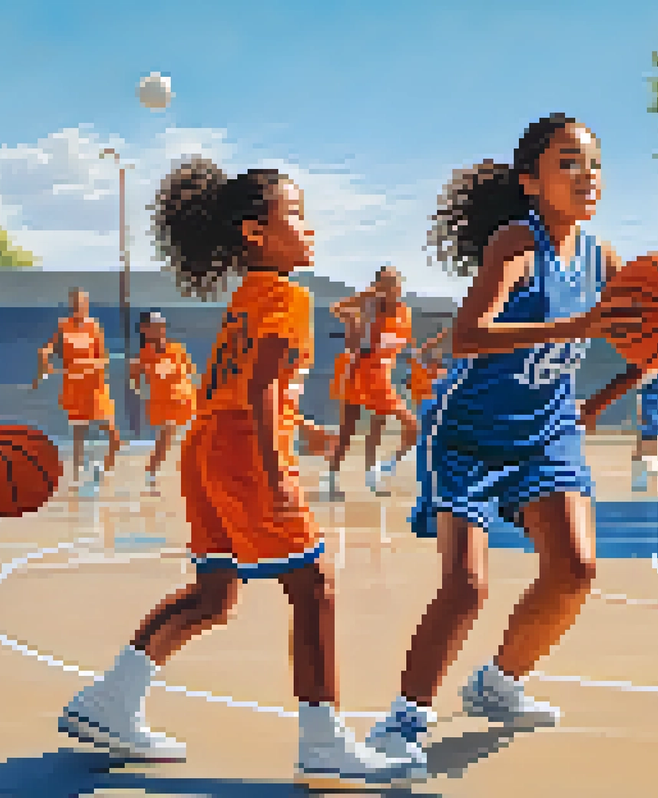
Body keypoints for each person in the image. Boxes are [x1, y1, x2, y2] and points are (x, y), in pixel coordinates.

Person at [57, 157, 417, 784]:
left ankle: (109, 700)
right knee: (314, 588)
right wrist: (279, 468)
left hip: (209, 443)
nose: (309, 226)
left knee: (213, 595)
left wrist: (302, 430)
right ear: (256, 231)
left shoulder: (251, 295)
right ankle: (323, 738)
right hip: (245, 449)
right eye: (296, 214)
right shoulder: (289, 296)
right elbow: (258, 390)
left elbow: (246, 388)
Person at [362, 114, 632, 770]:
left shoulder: (605, 259)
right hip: (470, 436)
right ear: (531, 181)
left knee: (574, 569)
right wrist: (576, 323)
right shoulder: (518, 242)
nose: (586, 176)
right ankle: (401, 723)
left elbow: (642, 342)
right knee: (467, 586)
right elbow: (467, 335)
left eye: (593, 163)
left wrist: (611, 390)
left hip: (547, 432)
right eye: (568, 162)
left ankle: (499, 683)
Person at [324, 267, 420, 498]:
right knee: (348, 429)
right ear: (377, 285)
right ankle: (332, 480)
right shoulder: (367, 308)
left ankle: (378, 472)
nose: (391, 288)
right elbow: (336, 309)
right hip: (357, 371)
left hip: (382, 375)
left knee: (408, 427)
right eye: (385, 283)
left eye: (394, 282)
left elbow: (399, 343)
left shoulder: (404, 312)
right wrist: (367, 296)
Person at [37, 289, 121, 490]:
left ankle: (106, 469)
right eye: (74, 303)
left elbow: (103, 357)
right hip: (75, 385)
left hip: (95, 384)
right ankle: (76, 475)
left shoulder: (94, 327)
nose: (78, 307)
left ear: (87, 305)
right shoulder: (64, 326)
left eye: (81, 303)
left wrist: (92, 365)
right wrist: (45, 355)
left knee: (112, 432)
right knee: (78, 432)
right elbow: (51, 347)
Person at [129, 312, 197, 495]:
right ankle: (152, 472)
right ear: (146, 330)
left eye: (162, 324)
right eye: (156, 325)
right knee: (166, 437)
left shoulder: (177, 348)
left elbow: (190, 371)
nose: (161, 328)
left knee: (190, 437)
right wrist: (141, 391)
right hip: (164, 403)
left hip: (186, 400)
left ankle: (159, 471)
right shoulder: (143, 355)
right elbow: (134, 378)